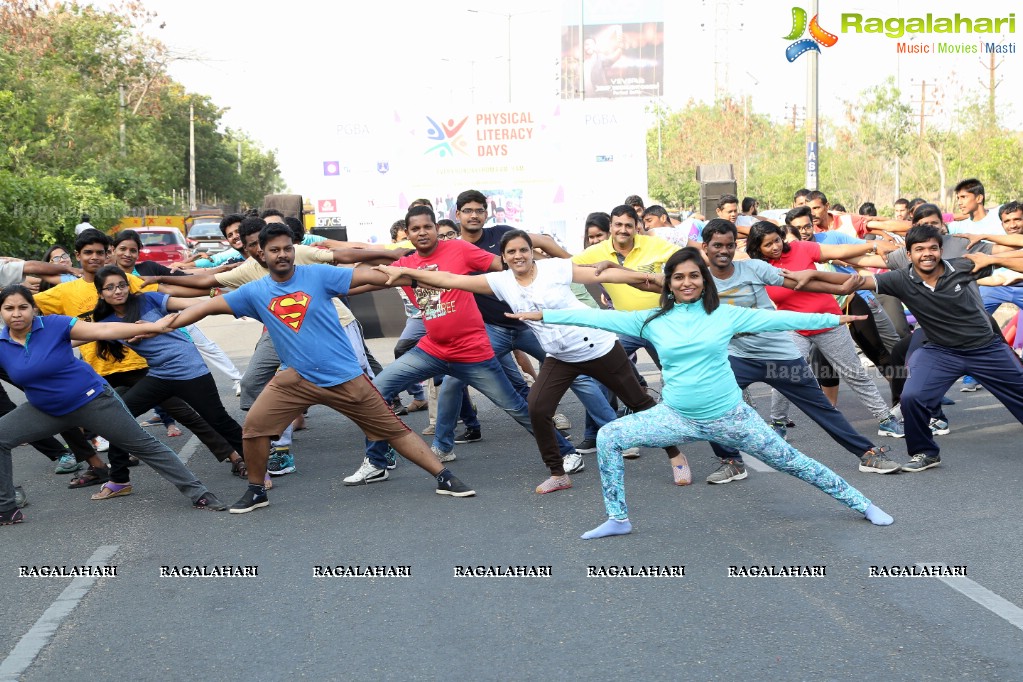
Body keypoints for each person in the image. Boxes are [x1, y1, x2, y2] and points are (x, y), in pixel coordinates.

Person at [510, 248, 894, 539]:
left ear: (703, 280)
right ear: (669, 282)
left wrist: (833, 318)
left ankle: (864, 504)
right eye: (678, 277)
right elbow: (594, 316)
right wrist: (544, 316)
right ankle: (618, 519)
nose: (686, 282)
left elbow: (778, 318)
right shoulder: (652, 320)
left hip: (731, 417)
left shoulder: (725, 314)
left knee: (794, 463)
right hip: (676, 417)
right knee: (610, 436)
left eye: (694, 275)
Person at [156, 222, 475, 513]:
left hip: (345, 378)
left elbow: (366, 276)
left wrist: (417, 273)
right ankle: (257, 490)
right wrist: (164, 325)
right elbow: (208, 306)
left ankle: (444, 477)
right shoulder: (255, 291)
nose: (282, 255)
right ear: (261, 255)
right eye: (274, 250)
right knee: (253, 427)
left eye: (287, 248)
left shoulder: (317, 275)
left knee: (394, 431)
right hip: (295, 378)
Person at [376, 229, 689, 492]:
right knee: (538, 409)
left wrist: (650, 278)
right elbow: (448, 280)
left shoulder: (553, 269)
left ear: (531, 250)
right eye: (511, 252)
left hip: (599, 347)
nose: (518, 256)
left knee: (639, 401)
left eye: (523, 249)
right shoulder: (501, 282)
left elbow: (603, 273)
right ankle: (558, 473)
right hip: (560, 356)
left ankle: (675, 454)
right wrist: (406, 273)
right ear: (505, 256)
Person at [346, 206, 581, 483]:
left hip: (473, 353)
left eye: (427, 227)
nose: (422, 232)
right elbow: (362, 281)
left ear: (435, 229)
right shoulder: (404, 265)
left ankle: (567, 452)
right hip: (432, 349)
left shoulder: (459, 249)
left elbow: (503, 265)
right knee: (376, 393)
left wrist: (548, 271)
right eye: (415, 229)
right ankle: (377, 461)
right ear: (407, 234)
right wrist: (327, 286)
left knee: (516, 407)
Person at [0, 285, 227, 524]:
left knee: (143, 445)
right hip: (45, 409)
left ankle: (199, 493)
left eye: (23, 307)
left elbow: (104, 328)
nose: (17, 313)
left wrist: (155, 326)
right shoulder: (2, 344)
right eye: (9, 308)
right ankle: (6, 509)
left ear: (33, 309)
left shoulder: (55, 325)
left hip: (91, 401)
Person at [696, 220, 901, 482]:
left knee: (821, 408)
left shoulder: (754, 268)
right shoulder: (699, 279)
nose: (723, 251)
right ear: (706, 247)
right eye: (717, 245)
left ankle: (867, 453)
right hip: (739, 357)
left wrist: (839, 287)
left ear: (735, 245)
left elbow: (800, 282)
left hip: (778, 353)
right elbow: (665, 289)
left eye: (728, 245)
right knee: (712, 403)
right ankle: (732, 461)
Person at [858, 225, 1023, 472]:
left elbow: (1010, 260)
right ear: (909, 253)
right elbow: (854, 276)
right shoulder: (901, 276)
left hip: (984, 347)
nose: (927, 253)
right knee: (912, 396)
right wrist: (787, 278)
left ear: (941, 247)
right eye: (919, 248)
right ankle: (925, 452)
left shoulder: (962, 264)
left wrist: (993, 258)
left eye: (932, 247)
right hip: (940, 349)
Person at [91, 266, 248, 497]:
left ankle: (257, 465)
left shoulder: (147, 300)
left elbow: (190, 307)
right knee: (118, 417)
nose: (118, 291)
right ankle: (119, 480)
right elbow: (78, 335)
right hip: (160, 375)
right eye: (110, 288)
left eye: (122, 285)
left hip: (189, 369)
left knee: (218, 419)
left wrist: (230, 304)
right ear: (101, 293)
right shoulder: (107, 321)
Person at [745, 222, 904, 438]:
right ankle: (778, 423)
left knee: (854, 372)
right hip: (795, 327)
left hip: (827, 321)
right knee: (784, 373)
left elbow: (840, 251)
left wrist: (871, 245)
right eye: (767, 244)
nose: (775, 246)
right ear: (757, 248)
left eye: (777, 240)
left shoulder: (802, 248)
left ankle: (885, 419)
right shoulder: (758, 268)